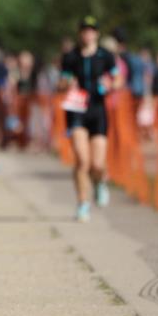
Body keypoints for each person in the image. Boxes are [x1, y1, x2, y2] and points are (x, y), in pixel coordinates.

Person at [59, 15, 122, 222]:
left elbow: (118, 78)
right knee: (82, 161)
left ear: (97, 33)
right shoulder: (70, 56)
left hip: (97, 111)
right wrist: (67, 84)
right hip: (76, 110)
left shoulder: (106, 56)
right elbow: (62, 81)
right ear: (80, 33)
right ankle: (82, 203)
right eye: (84, 30)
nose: (88, 33)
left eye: (91, 30)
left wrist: (111, 85)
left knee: (97, 164)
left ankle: (100, 182)